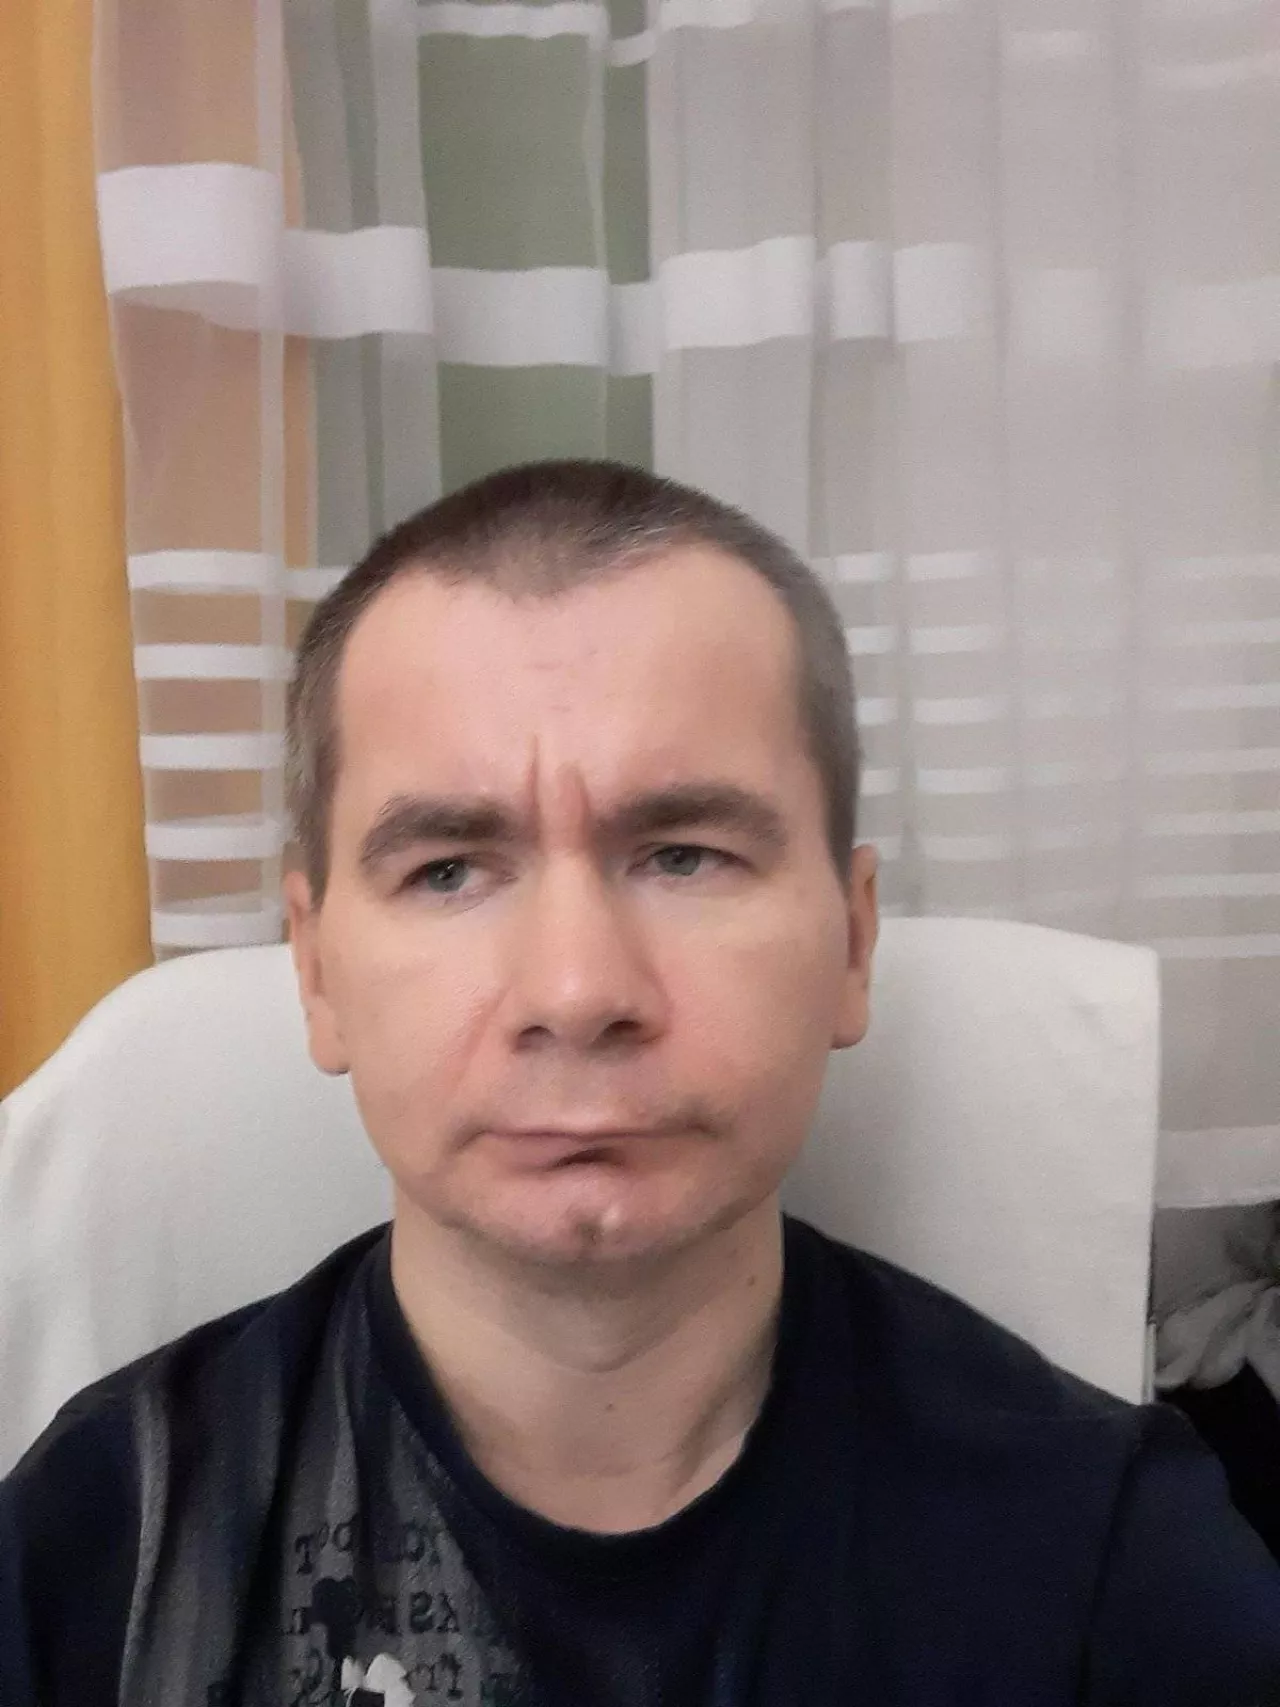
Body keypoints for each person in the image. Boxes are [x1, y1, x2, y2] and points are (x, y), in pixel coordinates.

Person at [3, 460, 1280, 1707]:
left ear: (852, 943)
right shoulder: (100, 1548)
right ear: (316, 970)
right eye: (447, 870)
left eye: (682, 854)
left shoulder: (1106, 1561)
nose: (575, 990)